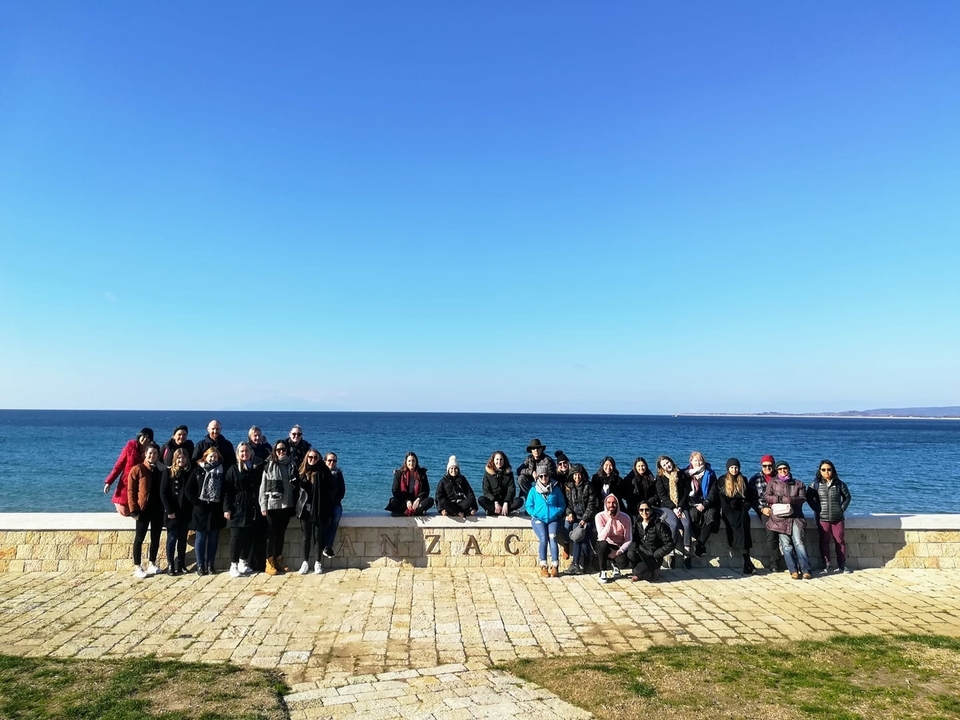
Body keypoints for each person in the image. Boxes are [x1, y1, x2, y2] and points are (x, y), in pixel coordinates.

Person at [184, 446, 227, 575]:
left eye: (215, 456)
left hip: (215, 509)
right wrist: (197, 502)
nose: (213, 459)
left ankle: (210, 565)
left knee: (213, 538)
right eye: (210, 456)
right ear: (205, 457)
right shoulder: (198, 470)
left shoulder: (221, 471)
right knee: (201, 538)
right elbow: (188, 489)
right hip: (200, 510)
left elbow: (225, 490)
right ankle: (200, 565)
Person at [223, 442, 264, 578]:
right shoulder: (233, 469)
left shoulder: (255, 468)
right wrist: (227, 508)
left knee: (248, 536)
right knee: (236, 537)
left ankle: (243, 562)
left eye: (246, 451)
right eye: (241, 452)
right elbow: (227, 491)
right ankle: (233, 564)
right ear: (238, 454)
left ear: (250, 453)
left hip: (252, 506)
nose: (244, 454)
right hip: (237, 507)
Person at [766, 461, 812, 580]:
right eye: (780, 469)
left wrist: (790, 500)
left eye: (785, 468)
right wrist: (781, 499)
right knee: (786, 545)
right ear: (777, 470)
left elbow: (803, 498)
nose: (783, 470)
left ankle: (806, 569)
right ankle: (793, 570)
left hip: (796, 518)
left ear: (789, 469)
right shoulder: (773, 483)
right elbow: (767, 496)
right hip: (779, 519)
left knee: (799, 543)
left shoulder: (798, 483)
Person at [260, 440, 299, 574]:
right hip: (272, 505)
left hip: (287, 505)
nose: (281, 452)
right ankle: (269, 562)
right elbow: (263, 487)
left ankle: (278, 559)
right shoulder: (269, 465)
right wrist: (263, 505)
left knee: (281, 534)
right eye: (278, 450)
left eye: (283, 449)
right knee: (271, 534)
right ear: (274, 451)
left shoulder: (291, 465)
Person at [807, 460, 853, 574]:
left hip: (838, 518)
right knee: (824, 541)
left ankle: (842, 565)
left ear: (833, 470)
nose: (826, 472)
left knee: (840, 541)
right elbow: (808, 498)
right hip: (822, 518)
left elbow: (847, 497)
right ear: (820, 471)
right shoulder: (815, 484)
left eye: (829, 469)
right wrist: (817, 509)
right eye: (823, 470)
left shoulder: (840, 484)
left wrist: (842, 509)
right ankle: (826, 565)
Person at [717, 458, 760, 575]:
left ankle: (747, 564)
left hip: (741, 511)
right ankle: (748, 563)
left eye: (736, 467)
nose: (734, 470)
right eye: (731, 467)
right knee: (739, 534)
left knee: (745, 534)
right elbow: (722, 500)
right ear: (728, 468)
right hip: (729, 512)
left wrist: (745, 507)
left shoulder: (743, 480)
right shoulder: (722, 480)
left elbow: (750, 497)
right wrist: (729, 513)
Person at [127, 444, 164, 578]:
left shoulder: (161, 469)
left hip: (158, 509)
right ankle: (137, 566)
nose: (152, 456)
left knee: (155, 538)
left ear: (158, 455)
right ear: (145, 454)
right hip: (142, 509)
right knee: (139, 538)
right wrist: (133, 510)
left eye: (155, 454)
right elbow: (131, 491)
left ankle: (152, 563)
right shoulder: (137, 469)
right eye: (150, 453)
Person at [296, 450, 335, 574]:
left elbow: (331, 489)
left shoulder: (324, 472)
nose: (312, 459)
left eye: (315, 457)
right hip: (305, 509)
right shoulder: (301, 472)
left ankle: (318, 563)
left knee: (318, 537)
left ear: (319, 459)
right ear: (306, 458)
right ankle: (305, 563)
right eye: (310, 457)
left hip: (319, 509)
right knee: (306, 537)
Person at [525, 466, 566, 577]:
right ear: (538, 477)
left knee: (552, 537)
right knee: (544, 538)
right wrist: (536, 513)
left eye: (546, 475)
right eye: (541, 476)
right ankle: (543, 565)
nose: (544, 478)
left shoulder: (556, 489)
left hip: (553, 519)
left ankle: (555, 566)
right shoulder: (533, 490)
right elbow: (528, 506)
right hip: (539, 519)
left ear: (549, 476)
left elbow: (562, 505)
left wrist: (555, 512)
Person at [103, 427, 154, 516]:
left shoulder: (150, 452)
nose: (145, 439)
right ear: (139, 436)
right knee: (125, 512)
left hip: (141, 484)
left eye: (148, 438)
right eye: (144, 436)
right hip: (126, 482)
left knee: (139, 509)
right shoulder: (130, 448)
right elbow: (118, 465)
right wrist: (109, 482)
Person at [160, 448, 193, 576]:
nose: (181, 460)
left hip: (184, 512)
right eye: (179, 457)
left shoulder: (189, 473)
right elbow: (163, 493)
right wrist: (169, 510)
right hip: (171, 512)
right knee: (172, 538)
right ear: (175, 459)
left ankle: (181, 564)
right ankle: (170, 565)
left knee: (182, 539)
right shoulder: (167, 472)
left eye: (184, 458)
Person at [655, 455, 692, 568]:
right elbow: (662, 495)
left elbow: (686, 492)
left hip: (682, 506)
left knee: (686, 524)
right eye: (664, 465)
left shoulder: (680, 474)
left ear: (671, 461)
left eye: (668, 462)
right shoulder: (660, 478)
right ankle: (671, 552)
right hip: (667, 507)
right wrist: (674, 508)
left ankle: (687, 554)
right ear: (661, 467)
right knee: (674, 524)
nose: (667, 465)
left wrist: (680, 507)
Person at [749, 455, 785, 572]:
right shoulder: (755, 479)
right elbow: (751, 499)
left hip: (780, 509)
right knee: (771, 534)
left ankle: (790, 561)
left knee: (786, 534)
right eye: (765, 466)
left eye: (770, 465)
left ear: (774, 465)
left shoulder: (780, 477)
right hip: (765, 510)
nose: (767, 468)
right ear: (761, 466)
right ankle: (774, 562)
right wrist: (761, 509)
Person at [563, 462, 598, 575]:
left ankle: (586, 564)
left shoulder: (589, 486)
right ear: (572, 476)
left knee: (584, 539)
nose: (577, 477)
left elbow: (592, 505)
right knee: (576, 537)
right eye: (575, 475)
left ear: (582, 475)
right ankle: (576, 565)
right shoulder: (569, 487)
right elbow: (567, 504)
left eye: (579, 474)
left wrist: (585, 519)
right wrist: (569, 513)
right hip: (576, 518)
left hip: (587, 518)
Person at [628, 501, 675, 582]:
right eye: (641, 510)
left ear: (651, 510)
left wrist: (656, 554)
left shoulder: (659, 525)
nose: (644, 512)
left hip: (654, 556)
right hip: (642, 553)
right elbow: (634, 538)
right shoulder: (637, 523)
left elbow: (670, 544)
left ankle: (650, 571)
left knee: (637, 571)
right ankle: (647, 572)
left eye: (647, 510)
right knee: (630, 554)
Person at [686, 451, 719, 557]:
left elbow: (713, 492)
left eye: (700, 460)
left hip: (707, 502)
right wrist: (693, 504)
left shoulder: (710, 473)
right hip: (692, 503)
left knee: (711, 515)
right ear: (691, 461)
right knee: (692, 515)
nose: (698, 463)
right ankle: (700, 544)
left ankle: (700, 544)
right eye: (696, 460)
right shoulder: (686, 474)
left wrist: (705, 504)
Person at [595, 494, 632, 583]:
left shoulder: (625, 517)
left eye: (614, 503)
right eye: (609, 503)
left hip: (618, 547)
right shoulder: (599, 516)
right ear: (605, 504)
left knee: (623, 563)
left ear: (617, 504)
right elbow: (601, 537)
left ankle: (615, 565)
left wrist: (618, 552)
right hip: (604, 545)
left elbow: (629, 539)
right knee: (602, 544)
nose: (611, 505)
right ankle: (603, 571)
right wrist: (610, 520)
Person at [478, 451, 522, 516]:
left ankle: (497, 511)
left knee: (520, 501)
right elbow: (486, 491)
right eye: (497, 459)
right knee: (481, 499)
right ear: (493, 460)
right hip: (493, 502)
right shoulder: (488, 474)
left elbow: (511, 490)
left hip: (505, 502)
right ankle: (502, 511)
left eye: (501, 459)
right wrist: (495, 502)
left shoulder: (509, 474)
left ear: (504, 460)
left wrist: (506, 502)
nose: (499, 462)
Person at [321, 452, 346, 558]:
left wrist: (335, 501)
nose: (332, 463)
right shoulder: (320, 473)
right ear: (325, 461)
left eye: (334, 461)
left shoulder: (338, 474)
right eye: (329, 460)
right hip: (322, 504)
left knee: (336, 516)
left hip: (335, 503)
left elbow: (342, 491)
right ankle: (322, 545)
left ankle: (327, 546)